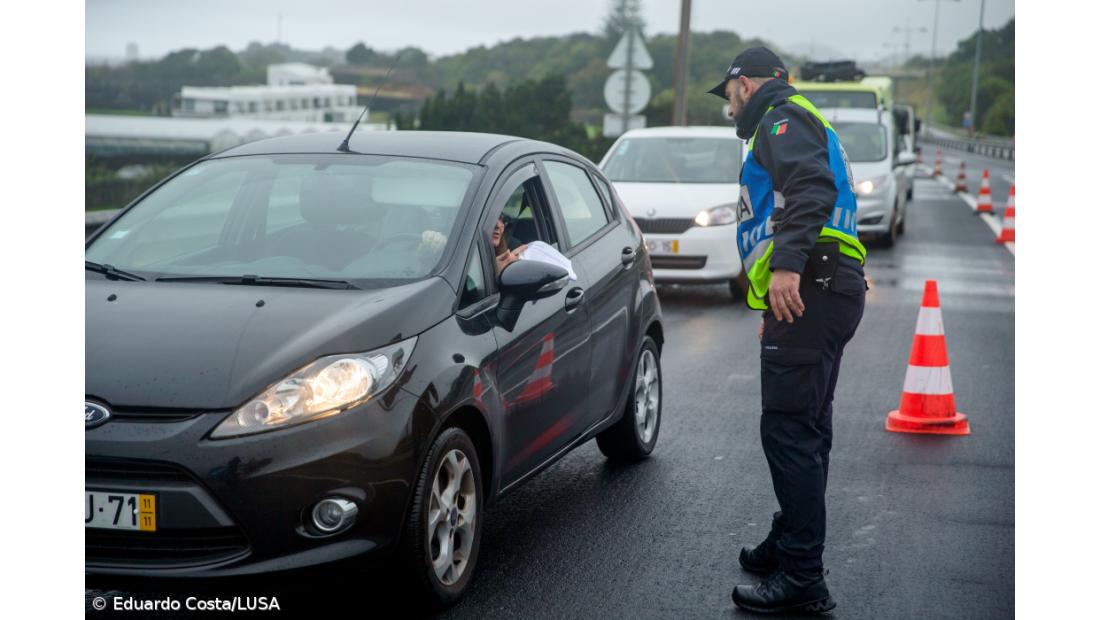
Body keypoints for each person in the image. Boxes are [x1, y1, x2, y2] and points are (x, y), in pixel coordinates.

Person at [706, 47, 868, 614]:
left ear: (745, 85)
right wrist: (772, 303)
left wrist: (787, 270)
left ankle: (802, 575)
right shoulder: (797, 117)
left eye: (728, 95)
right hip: (821, 292)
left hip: (813, 284)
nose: (728, 106)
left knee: (789, 432)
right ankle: (790, 537)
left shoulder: (779, 116)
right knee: (807, 428)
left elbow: (811, 189)